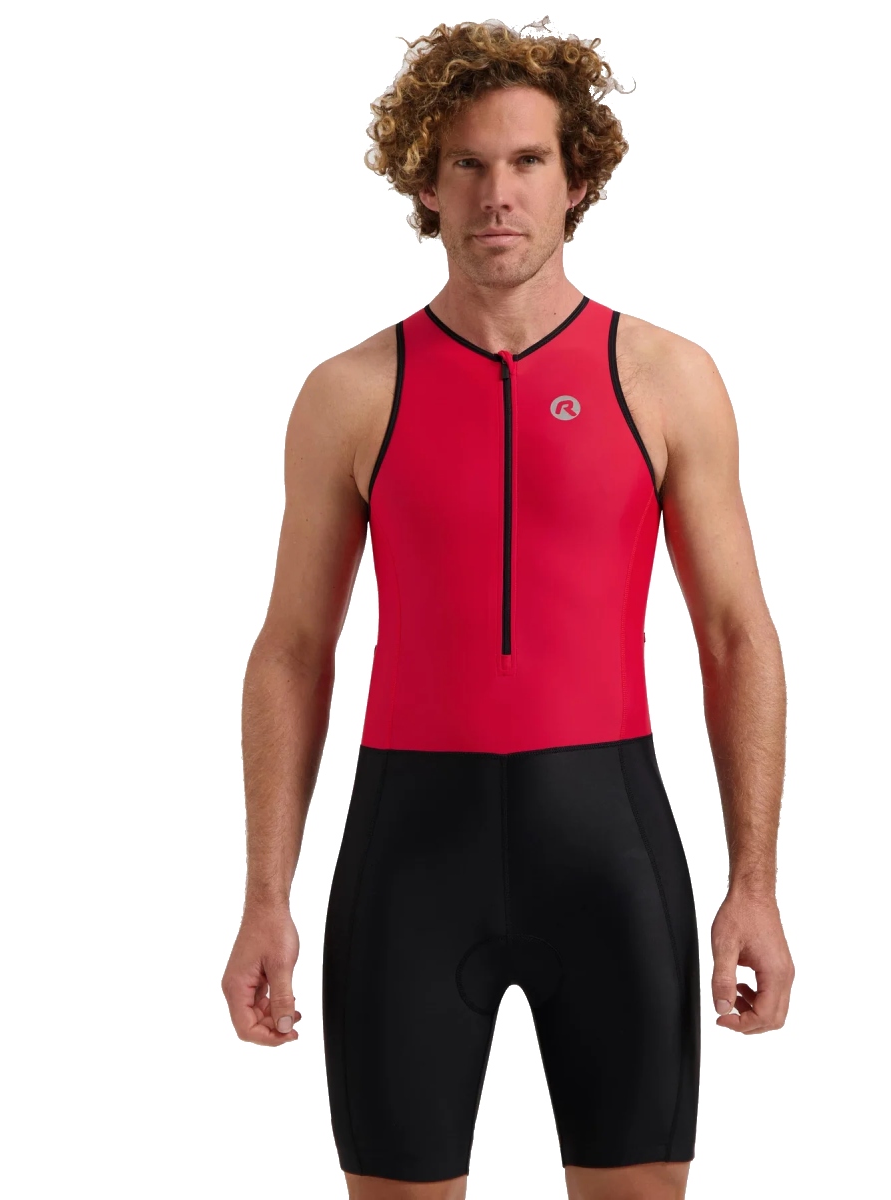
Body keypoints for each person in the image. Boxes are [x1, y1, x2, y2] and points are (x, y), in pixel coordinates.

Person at [222, 18, 794, 1200]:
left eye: (528, 161)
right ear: (424, 185)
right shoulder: (350, 393)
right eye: (468, 164)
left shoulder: (665, 378)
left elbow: (736, 636)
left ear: (577, 177)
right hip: (407, 862)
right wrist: (264, 897)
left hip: (611, 854)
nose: (498, 194)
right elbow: (292, 650)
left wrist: (755, 883)